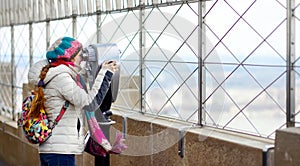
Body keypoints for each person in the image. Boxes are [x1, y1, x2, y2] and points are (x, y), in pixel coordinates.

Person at [28, 37, 119, 166]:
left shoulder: (58, 75)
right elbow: (89, 103)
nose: (83, 58)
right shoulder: (61, 78)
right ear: (70, 57)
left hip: (56, 149)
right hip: (60, 153)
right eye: (80, 55)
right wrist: (106, 72)